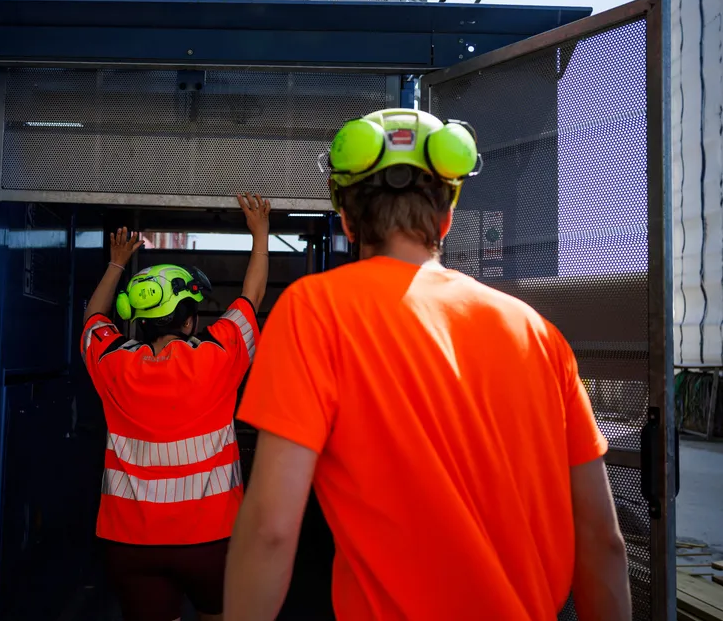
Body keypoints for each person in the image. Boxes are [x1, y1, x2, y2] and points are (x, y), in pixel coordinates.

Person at [225, 109, 631, 621]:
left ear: (346, 219)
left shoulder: (314, 310)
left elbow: (270, 530)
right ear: (447, 217)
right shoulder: (539, 335)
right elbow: (603, 541)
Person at [81, 193, 272, 621]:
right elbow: (252, 296)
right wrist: (260, 234)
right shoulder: (218, 357)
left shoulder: (113, 365)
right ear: (190, 322)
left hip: (128, 544)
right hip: (212, 540)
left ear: (139, 322)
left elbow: (94, 317)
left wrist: (116, 263)